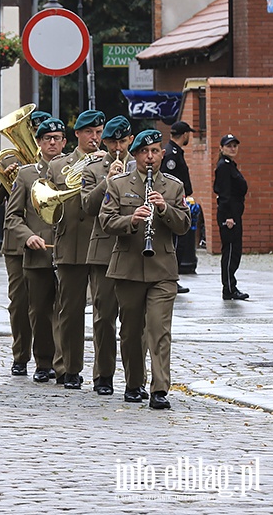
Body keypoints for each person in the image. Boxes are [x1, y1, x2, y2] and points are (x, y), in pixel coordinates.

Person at [99, 129, 190, 409]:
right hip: (127, 266)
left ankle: (159, 389)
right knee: (130, 330)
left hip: (162, 268)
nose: (150, 157)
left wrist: (164, 210)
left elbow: (184, 225)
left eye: (155, 152)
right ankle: (134, 382)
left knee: (158, 330)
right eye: (144, 152)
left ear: (162, 154)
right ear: (136, 154)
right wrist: (132, 220)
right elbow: (106, 222)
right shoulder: (118, 184)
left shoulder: (173, 187)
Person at [0, 109, 51, 377]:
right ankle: (21, 355)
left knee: (48, 304)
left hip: (48, 238)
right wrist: (6, 179)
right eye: (33, 130)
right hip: (17, 243)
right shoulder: (11, 159)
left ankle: (50, 359)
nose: (36, 136)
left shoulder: (60, 163)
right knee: (20, 302)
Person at [47, 109, 105, 390]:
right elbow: (46, 204)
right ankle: (70, 368)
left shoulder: (111, 164)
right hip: (70, 242)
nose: (95, 138)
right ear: (78, 135)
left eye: (98, 132)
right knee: (70, 311)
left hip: (102, 244)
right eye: (89, 133)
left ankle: (102, 373)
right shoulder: (59, 166)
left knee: (103, 312)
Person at [5, 117, 66, 383]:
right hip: (38, 252)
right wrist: (28, 237)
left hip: (67, 250)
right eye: (47, 138)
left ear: (64, 142)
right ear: (39, 143)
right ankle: (43, 361)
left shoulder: (72, 170)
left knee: (66, 310)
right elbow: (12, 217)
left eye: (57, 138)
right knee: (39, 310)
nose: (52, 142)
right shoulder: (27, 174)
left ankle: (64, 363)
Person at [80, 115, 134, 396]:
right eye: (112, 141)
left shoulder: (141, 166)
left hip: (134, 250)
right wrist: (108, 181)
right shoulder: (92, 168)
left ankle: (135, 378)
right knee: (103, 317)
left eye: (122, 141)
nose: (117, 147)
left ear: (130, 141)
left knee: (134, 319)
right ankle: (103, 375)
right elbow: (87, 205)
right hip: (102, 249)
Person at [214, 134, 249, 300]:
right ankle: (228, 288)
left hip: (234, 213)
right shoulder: (224, 166)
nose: (232, 148)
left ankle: (231, 286)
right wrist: (228, 217)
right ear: (221, 148)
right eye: (229, 146)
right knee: (230, 252)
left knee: (235, 250)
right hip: (229, 215)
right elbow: (224, 193)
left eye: (235, 145)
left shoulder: (230, 165)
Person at [162, 120, 195, 292]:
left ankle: (173, 278)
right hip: (173, 205)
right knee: (175, 245)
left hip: (178, 203)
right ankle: (170, 279)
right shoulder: (171, 155)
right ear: (184, 135)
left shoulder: (174, 152)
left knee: (179, 244)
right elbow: (169, 182)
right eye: (188, 133)